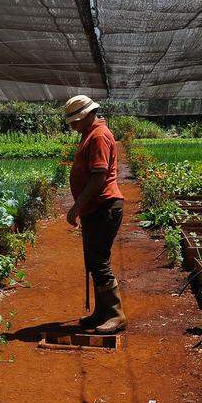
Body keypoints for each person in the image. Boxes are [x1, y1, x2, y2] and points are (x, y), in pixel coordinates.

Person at [63, 94, 127, 334]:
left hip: (104, 206)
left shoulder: (98, 136)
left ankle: (116, 315)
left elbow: (98, 177)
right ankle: (101, 312)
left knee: (99, 262)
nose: (73, 126)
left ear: (89, 115)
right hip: (97, 208)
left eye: (75, 121)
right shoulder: (90, 134)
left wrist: (76, 206)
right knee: (94, 261)